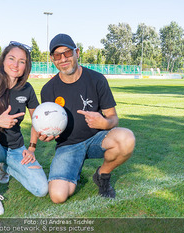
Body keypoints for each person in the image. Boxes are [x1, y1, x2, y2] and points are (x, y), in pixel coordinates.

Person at [39, 34, 136, 204]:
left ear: (77, 52)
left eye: (67, 53)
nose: (63, 59)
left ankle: (102, 175)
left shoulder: (97, 79)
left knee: (126, 138)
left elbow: (113, 118)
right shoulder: (48, 89)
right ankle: (73, 169)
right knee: (58, 196)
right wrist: (46, 134)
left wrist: (104, 123)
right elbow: (47, 123)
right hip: (67, 146)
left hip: (96, 140)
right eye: (57, 55)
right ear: (52, 59)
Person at [0, 41, 48, 216]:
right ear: (3, 60)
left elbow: (37, 119)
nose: (15, 64)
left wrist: (32, 148)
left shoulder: (27, 89)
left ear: (26, 67)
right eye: (12, 58)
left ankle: (5, 167)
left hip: (16, 148)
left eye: (22, 61)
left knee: (41, 189)